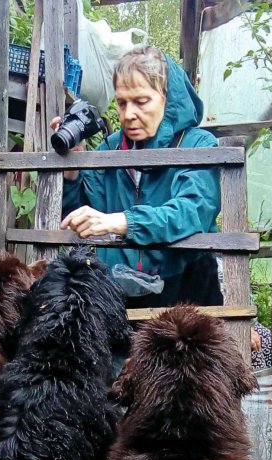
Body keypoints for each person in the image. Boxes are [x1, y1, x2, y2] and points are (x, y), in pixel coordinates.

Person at [52, 45, 222, 308]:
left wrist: (122, 221)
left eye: (141, 102)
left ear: (166, 98)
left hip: (187, 296)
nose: (129, 114)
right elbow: (78, 216)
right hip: (118, 299)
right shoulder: (108, 151)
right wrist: (73, 169)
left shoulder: (197, 145)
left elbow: (192, 211)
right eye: (122, 103)